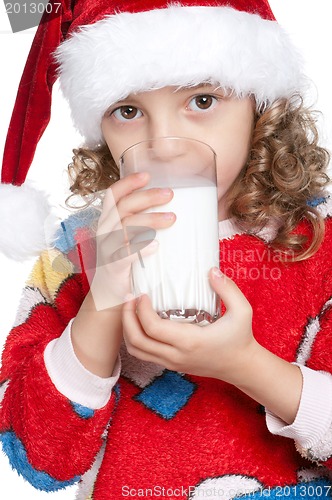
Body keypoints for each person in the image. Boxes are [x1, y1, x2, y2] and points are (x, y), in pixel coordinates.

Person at [1, 1, 332, 499]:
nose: (166, 144)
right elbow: (39, 458)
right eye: (128, 111)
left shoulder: (316, 242)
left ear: (259, 104)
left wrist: (245, 365)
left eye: (201, 100)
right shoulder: (75, 252)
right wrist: (102, 302)